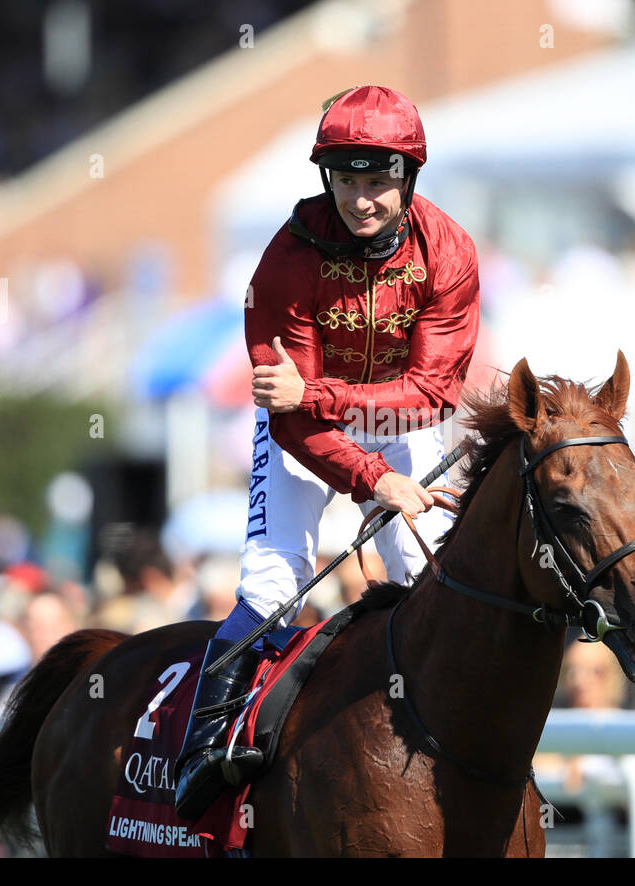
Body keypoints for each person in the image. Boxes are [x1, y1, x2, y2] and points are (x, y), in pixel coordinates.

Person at [173, 86, 480, 820]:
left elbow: (433, 395)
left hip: (395, 420)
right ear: (326, 178)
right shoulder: (285, 263)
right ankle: (200, 752)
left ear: (408, 177)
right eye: (347, 179)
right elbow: (288, 425)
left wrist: (323, 401)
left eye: (378, 181)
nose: (362, 199)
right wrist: (368, 472)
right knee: (274, 587)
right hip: (304, 439)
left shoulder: (451, 253)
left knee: (438, 583)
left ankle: (470, 744)